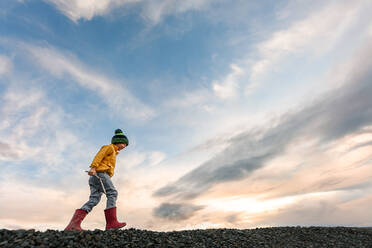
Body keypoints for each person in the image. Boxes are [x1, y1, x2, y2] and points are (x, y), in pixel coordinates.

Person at [65, 129, 129, 231]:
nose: (125, 146)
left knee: (94, 199)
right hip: (100, 174)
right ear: (119, 141)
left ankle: (73, 224)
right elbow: (99, 156)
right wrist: (93, 167)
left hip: (95, 177)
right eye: (125, 144)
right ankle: (111, 223)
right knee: (112, 193)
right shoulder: (109, 148)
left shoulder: (114, 152)